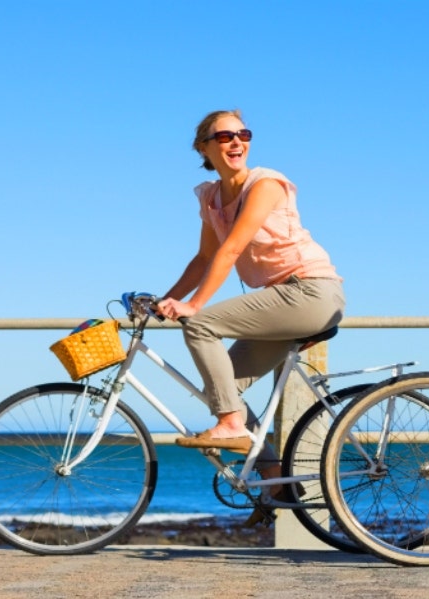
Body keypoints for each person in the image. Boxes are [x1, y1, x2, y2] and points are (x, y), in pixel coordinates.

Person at [156, 110, 345, 524]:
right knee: (222, 387)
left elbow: (232, 249)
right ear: (204, 147)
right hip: (281, 299)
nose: (236, 142)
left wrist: (193, 307)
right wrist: (165, 301)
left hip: (310, 291)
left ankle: (231, 427)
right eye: (223, 136)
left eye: (242, 134)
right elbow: (204, 257)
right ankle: (275, 482)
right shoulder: (211, 197)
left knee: (202, 326)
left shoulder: (265, 183)